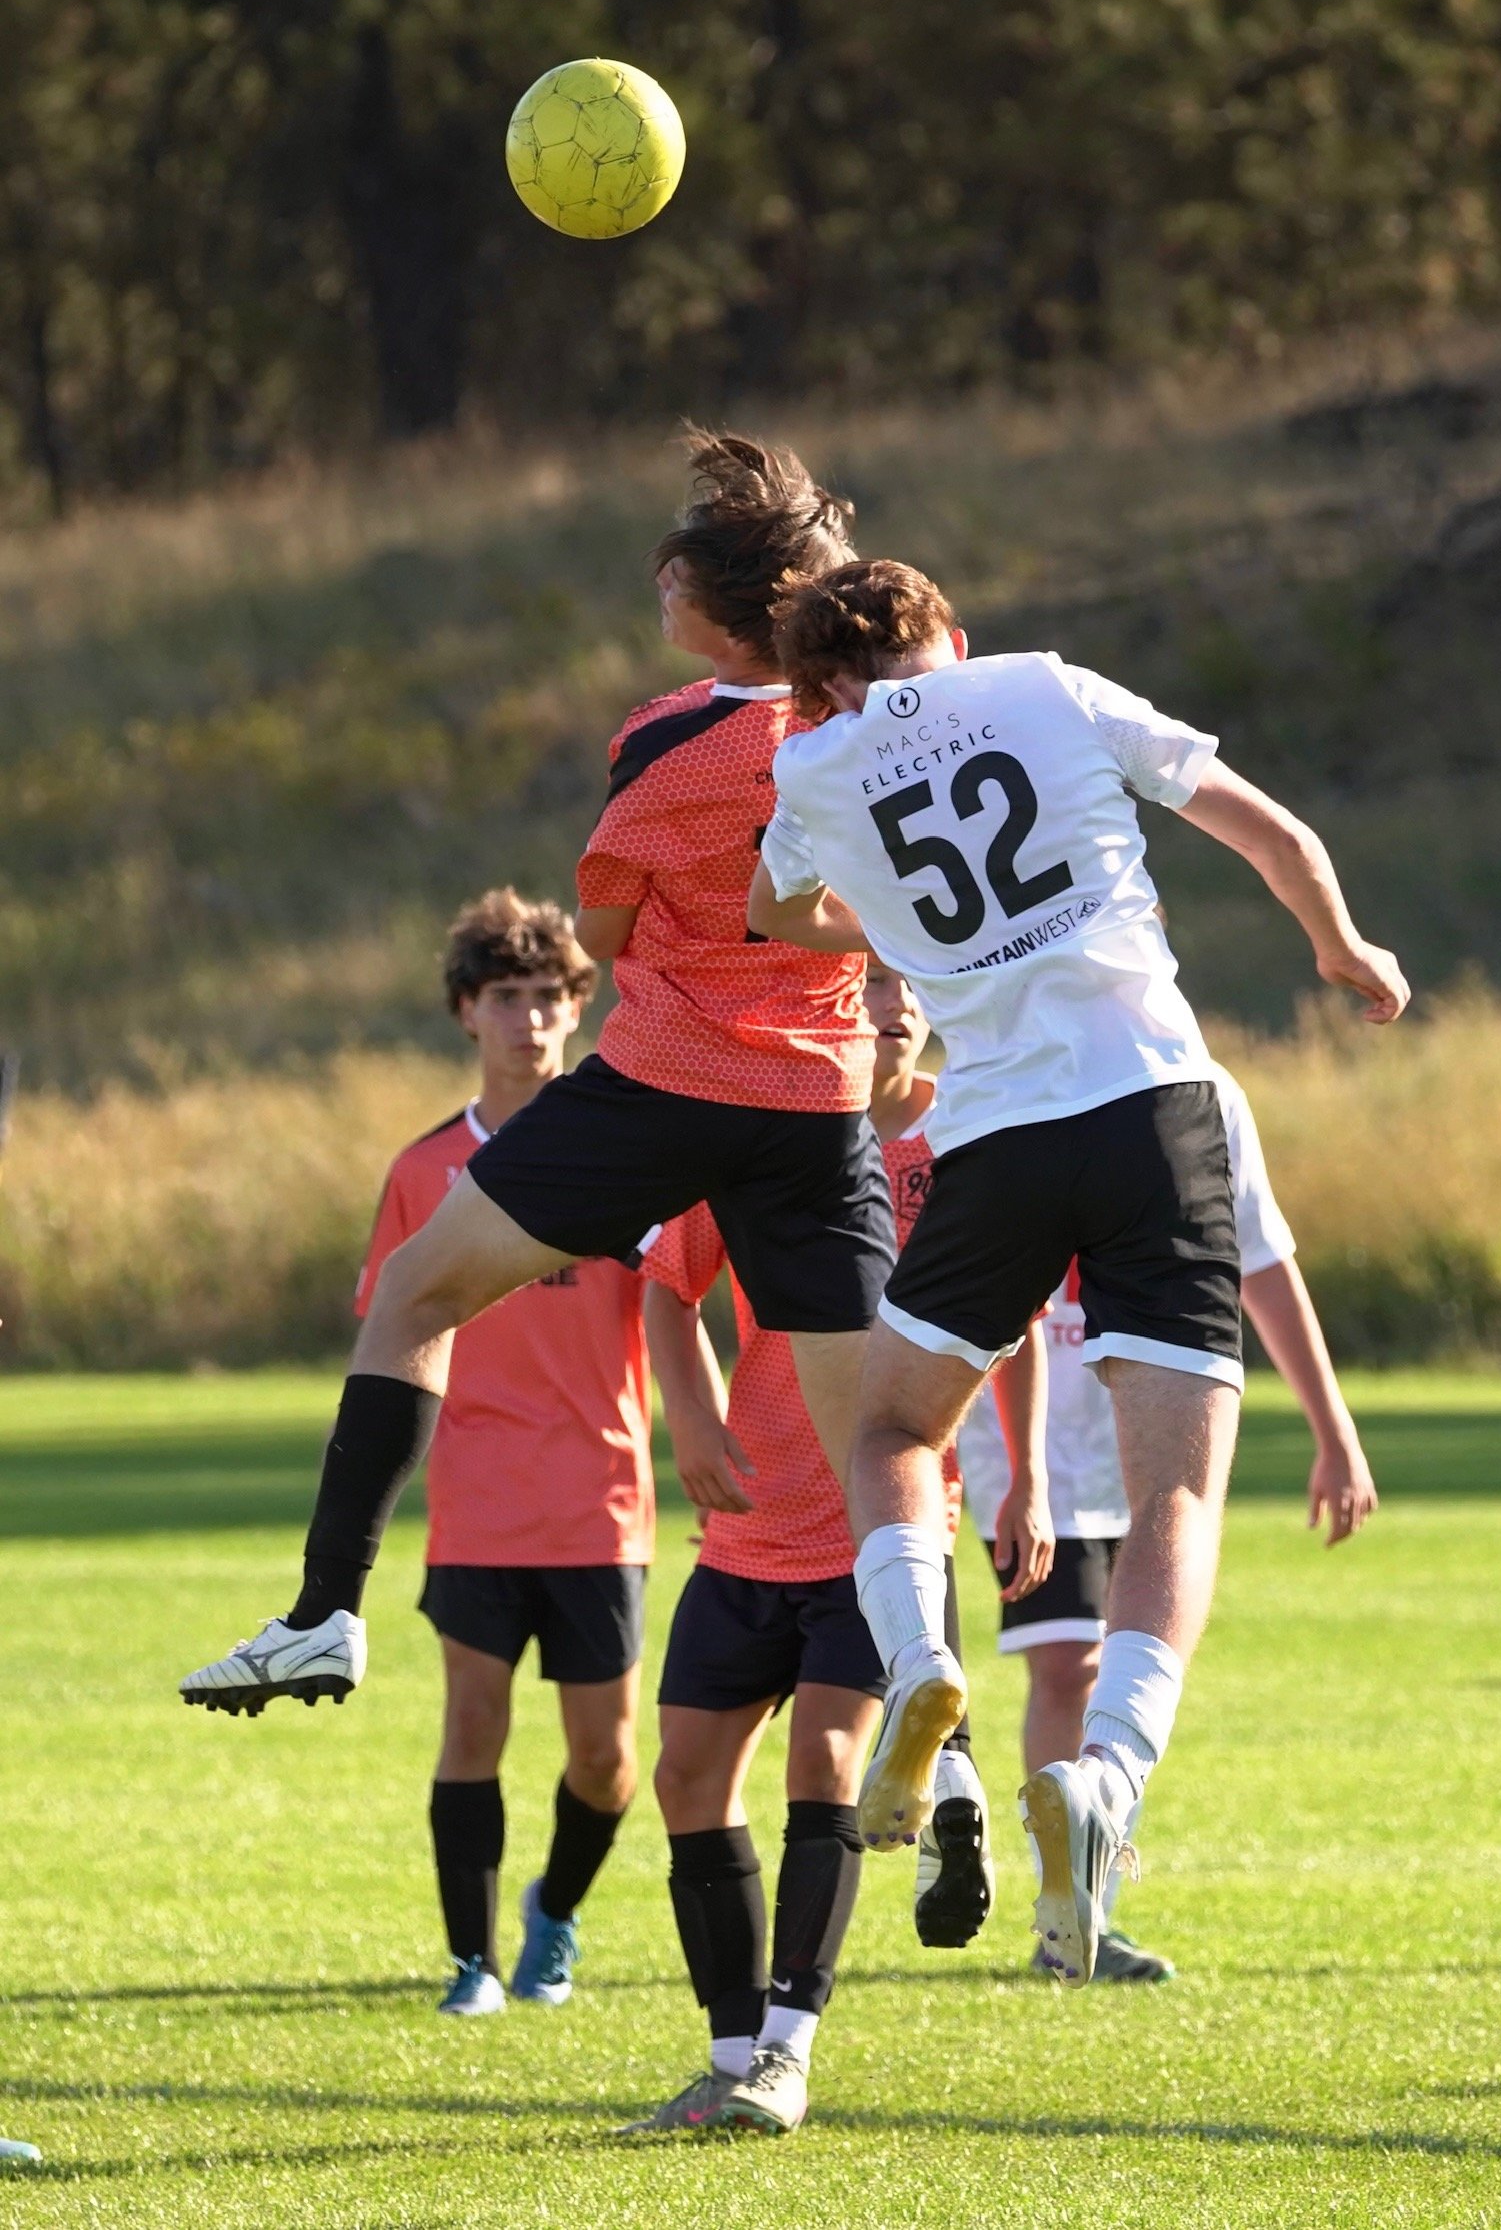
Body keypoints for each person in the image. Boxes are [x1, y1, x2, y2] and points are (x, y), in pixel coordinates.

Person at [746, 557, 1409, 1985]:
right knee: (1174, 1483)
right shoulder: (1043, 686)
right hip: (1154, 1113)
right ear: (948, 639)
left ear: (816, 684)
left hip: (995, 1139)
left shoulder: (813, 767)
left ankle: (920, 1661)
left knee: (891, 1430)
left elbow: (771, 914)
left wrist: (898, 926)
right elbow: (1266, 829)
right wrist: (1340, 948)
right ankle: (1105, 1774)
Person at [178, 432, 894, 1716]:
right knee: (870, 1452)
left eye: (672, 575)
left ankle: (325, 1612)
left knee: (409, 1295)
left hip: (662, 1086)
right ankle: (931, 1718)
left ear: (719, 609)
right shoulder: (859, 733)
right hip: (815, 1104)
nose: (656, 588)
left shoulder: (668, 740)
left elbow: (603, 936)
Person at [186, 892, 655, 2013]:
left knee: (607, 1756)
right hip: (481, 1501)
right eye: (508, 998)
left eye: (552, 999)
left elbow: (683, 1301)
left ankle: (555, 1914)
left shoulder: (632, 1153)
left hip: (603, 1497)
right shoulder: (424, 1170)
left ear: (577, 1007)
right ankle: (471, 1963)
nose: (531, 1021)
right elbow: (389, 1338)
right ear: (465, 1011)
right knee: (471, 1726)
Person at [621, 958, 1046, 2137]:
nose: (894, 1008)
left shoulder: (960, 1149)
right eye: (873, 989)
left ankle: (787, 2053)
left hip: (875, 1540)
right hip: (747, 1523)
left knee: (828, 1769)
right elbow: (667, 1285)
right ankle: (726, 2055)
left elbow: (1012, 1320)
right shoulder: (765, 1142)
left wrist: (1029, 1480)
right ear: (830, 1013)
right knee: (684, 1778)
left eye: (910, 992)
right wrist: (694, 1416)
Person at [959, 1058, 1380, 1982]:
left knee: (1130, 1673)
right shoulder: (1013, 1066)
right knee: (1067, 1663)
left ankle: (1083, 1899)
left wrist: (1333, 1429)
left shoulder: (1211, 1095)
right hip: (1037, 1451)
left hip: (1152, 1434)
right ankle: (1070, 1918)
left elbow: (1258, 1265)